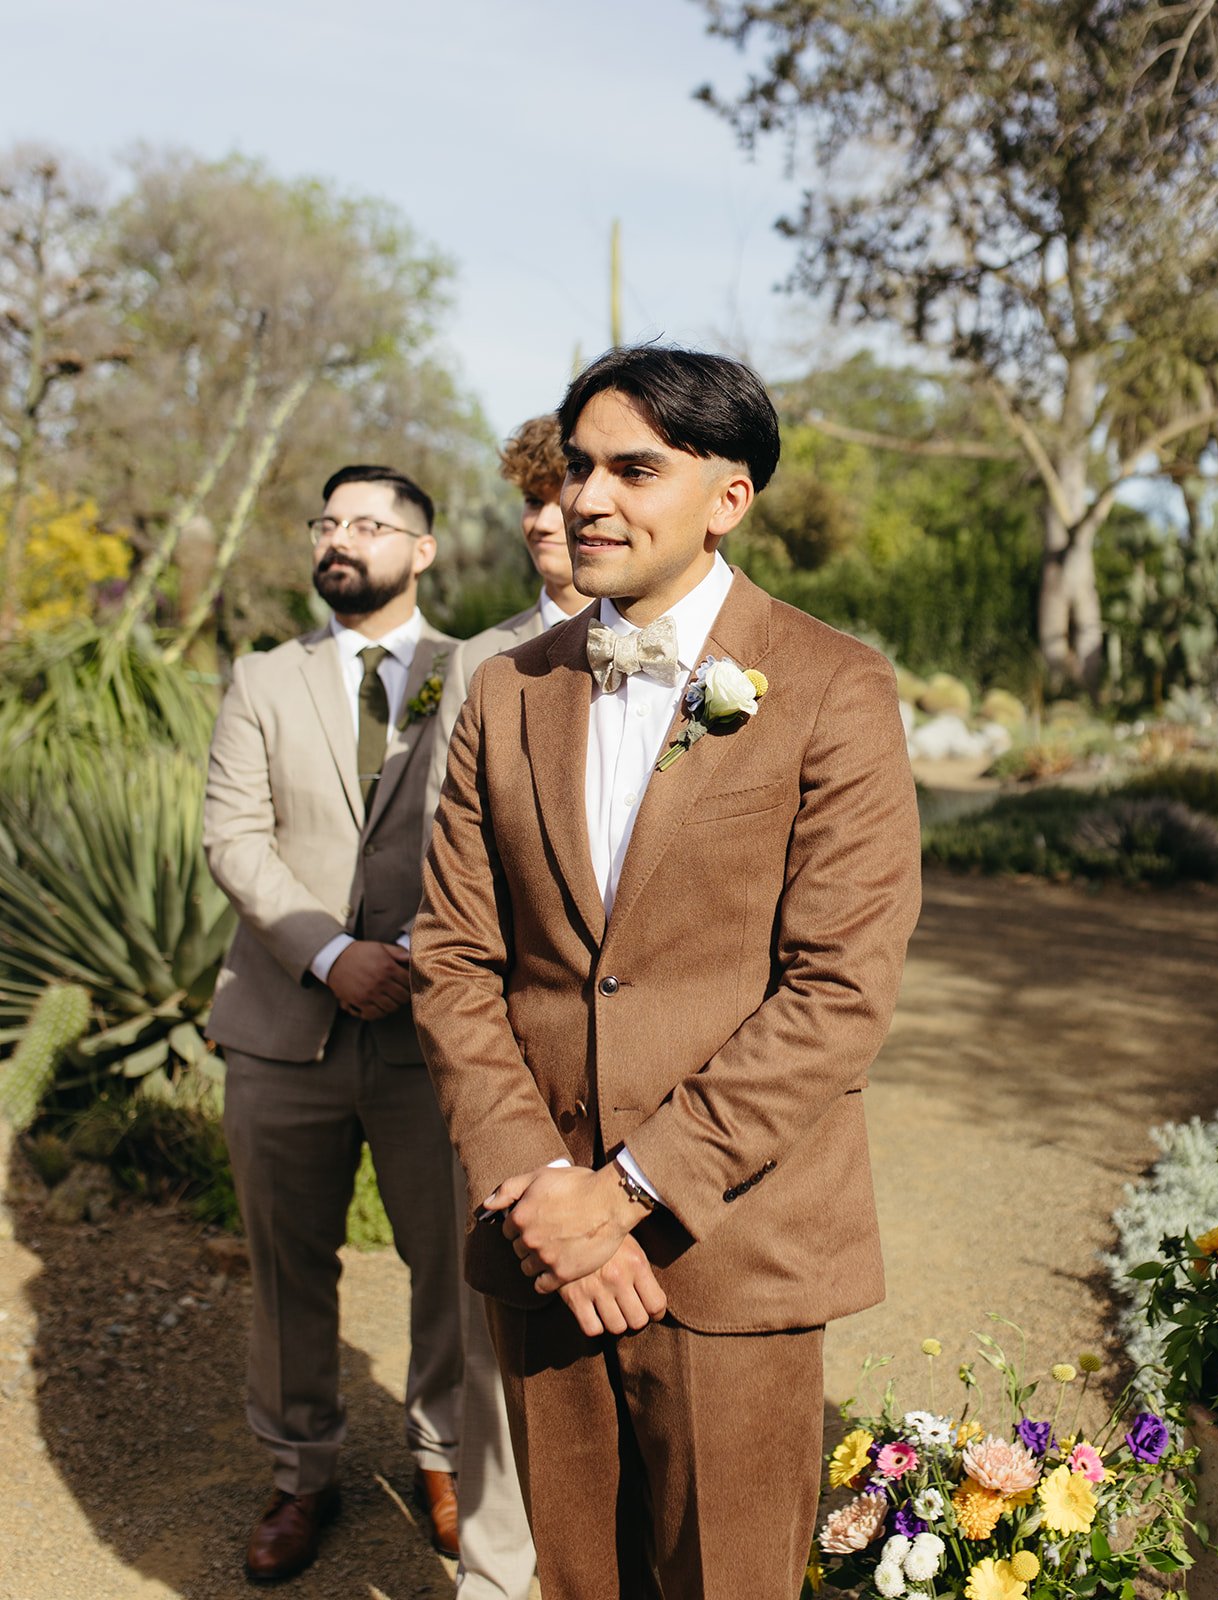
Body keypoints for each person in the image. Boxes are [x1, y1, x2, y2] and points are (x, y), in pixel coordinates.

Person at [412, 347, 922, 1600]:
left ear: (729, 497)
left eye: (634, 468)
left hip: (733, 1242)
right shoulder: (502, 689)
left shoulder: (832, 685)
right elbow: (457, 962)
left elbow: (836, 992)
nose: (588, 498)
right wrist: (544, 1192)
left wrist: (629, 1192)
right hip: (539, 1247)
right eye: (579, 465)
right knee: (579, 1583)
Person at [204, 464, 464, 1583]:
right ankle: (300, 1471)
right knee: (286, 1264)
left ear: (425, 550)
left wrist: (411, 955)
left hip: (432, 1030)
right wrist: (329, 952)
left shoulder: (480, 672)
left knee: (451, 1260)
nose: (340, 539)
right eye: (328, 522)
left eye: (369, 523)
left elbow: (503, 832)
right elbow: (233, 836)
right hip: (283, 1024)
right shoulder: (262, 679)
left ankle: (447, 1457)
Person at [422, 414, 588, 1599]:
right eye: (529, 496)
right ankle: (494, 1570)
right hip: (510, 1056)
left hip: (655, 1061)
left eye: (557, 489)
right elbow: (453, 877)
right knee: (501, 1331)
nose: (542, 516)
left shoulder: (730, 657)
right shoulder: (482, 665)